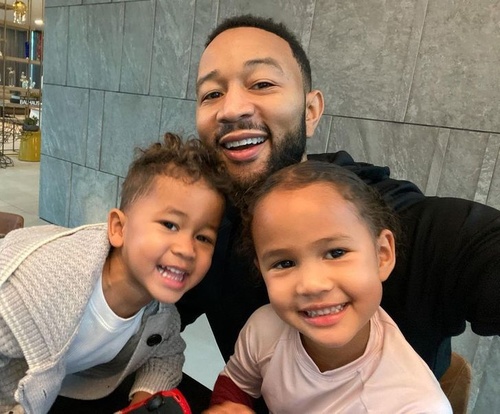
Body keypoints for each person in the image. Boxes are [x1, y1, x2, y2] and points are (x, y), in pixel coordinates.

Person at [176, 13, 500, 407]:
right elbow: (140, 309)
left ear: (310, 111)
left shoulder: (388, 216)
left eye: (261, 83)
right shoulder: (205, 230)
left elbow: (477, 250)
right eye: (212, 94)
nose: (230, 108)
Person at [0, 133, 230, 413]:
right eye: (170, 225)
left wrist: (141, 405)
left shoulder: (162, 316)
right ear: (118, 228)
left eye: (203, 237)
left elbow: (166, 355)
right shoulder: (35, 289)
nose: (187, 249)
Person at [205, 161, 452, 413]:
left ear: (382, 255)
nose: (312, 285)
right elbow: (237, 382)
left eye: (336, 253)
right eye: (284, 263)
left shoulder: (414, 406)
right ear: (261, 271)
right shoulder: (264, 328)